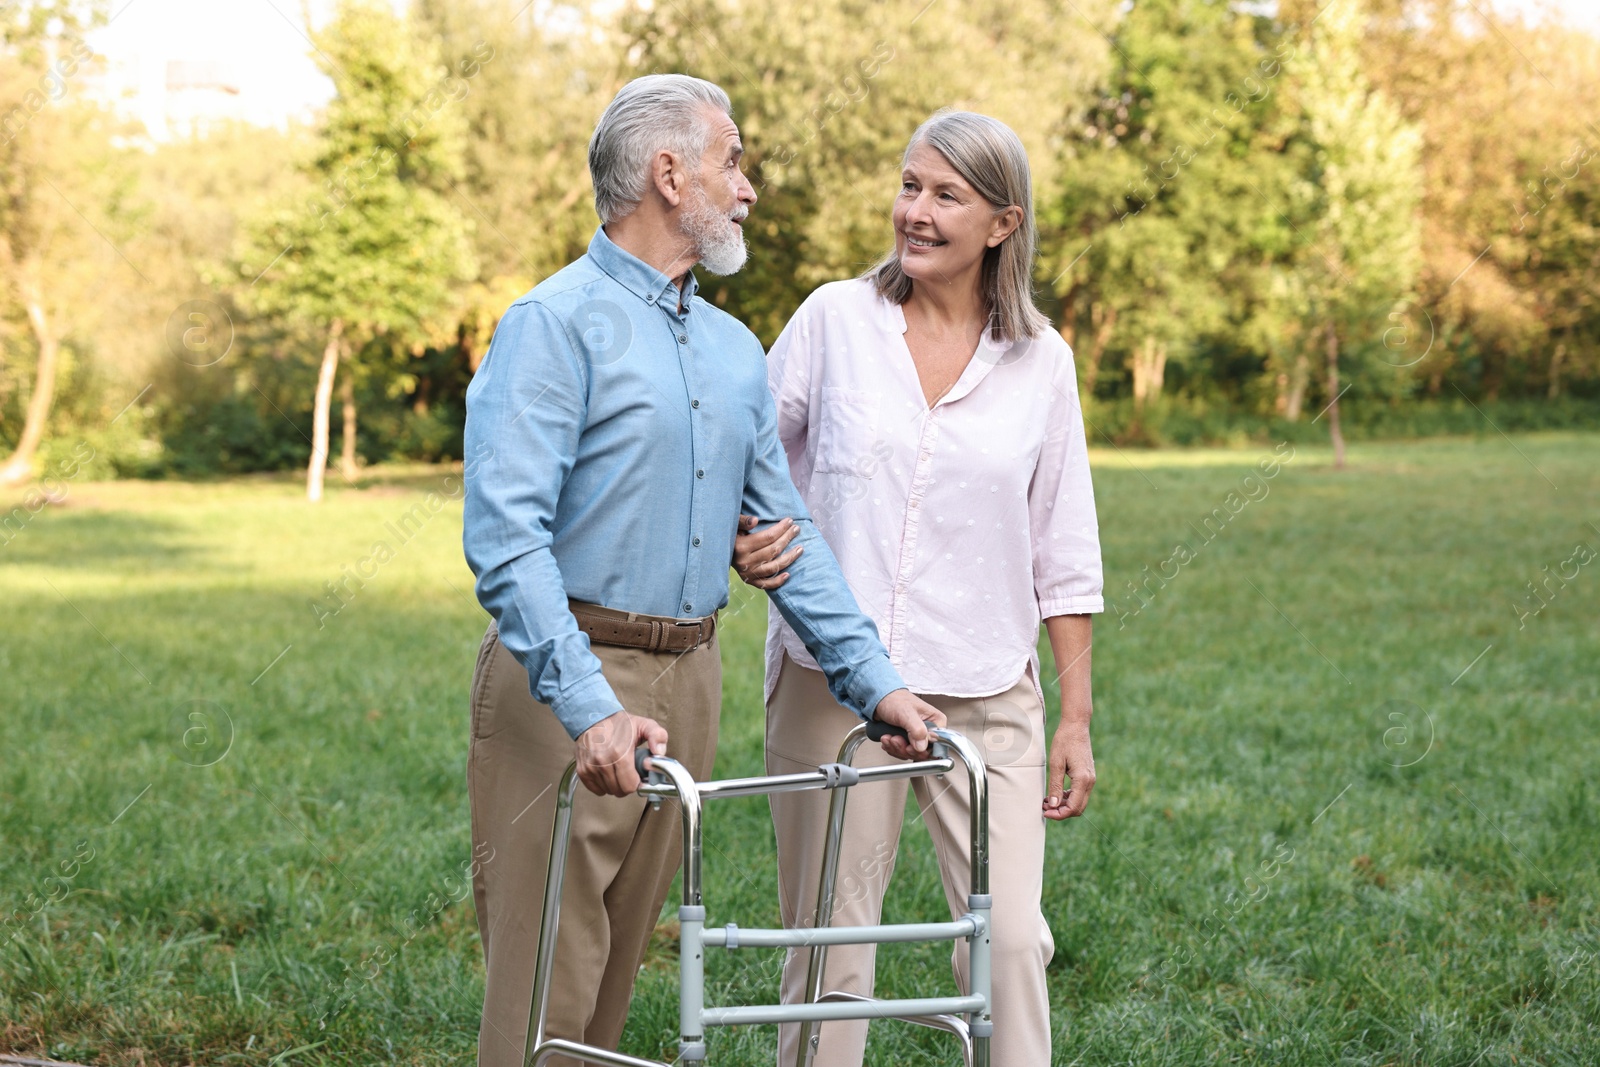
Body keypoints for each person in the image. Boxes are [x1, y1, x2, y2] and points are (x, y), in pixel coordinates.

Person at [461, 75, 946, 1067]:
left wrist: (877, 682)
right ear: (666, 172)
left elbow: (785, 530)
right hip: (564, 680)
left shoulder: (732, 350)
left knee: (615, 990)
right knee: (542, 992)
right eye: (732, 161)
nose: (748, 187)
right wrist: (588, 703)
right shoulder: (551, 324)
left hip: (691, 675)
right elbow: (507, 539)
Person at [733, 110, 1104, 1067]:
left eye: (947, 195)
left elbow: (1064, 548)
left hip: (987, 689)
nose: (917, 212)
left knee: (1010, 939)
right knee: (830, 950)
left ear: (1002, 223)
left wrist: (1074, 718)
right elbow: (743, 466)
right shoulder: (832, 320)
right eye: (909, 186)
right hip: (833, 684)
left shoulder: (1042, 362)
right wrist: (745, 541)